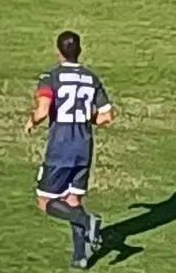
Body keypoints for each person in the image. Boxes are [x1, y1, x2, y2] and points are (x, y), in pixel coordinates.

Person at [25, 30, 113, 269]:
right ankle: (80, 256)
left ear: (58, 51)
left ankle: (88, 221)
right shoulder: (91, 78)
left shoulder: (50, 77)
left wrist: (32, 121)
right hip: (84, 146)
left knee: (45, 202)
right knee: (72, 200)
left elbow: (43, 111)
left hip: (60, 147)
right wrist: (87, 119)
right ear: (80, 51)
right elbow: (107, 116)